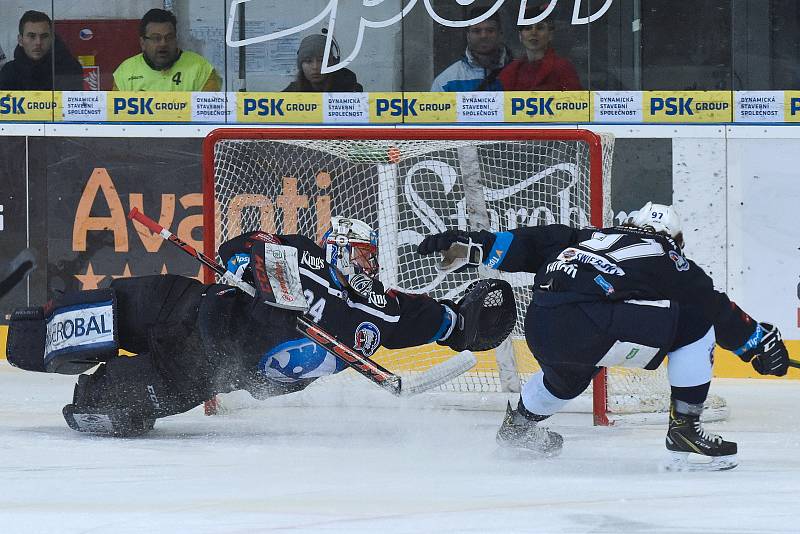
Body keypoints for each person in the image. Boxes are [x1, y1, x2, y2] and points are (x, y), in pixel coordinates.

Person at [7, 217, 513, 437]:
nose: (366, 265)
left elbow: (450, 323)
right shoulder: (297, 251)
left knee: (100, 408)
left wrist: (475, 321)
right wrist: (248, 271)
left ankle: (99, 396)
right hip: (184, 304)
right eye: (358, 253)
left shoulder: (378, 310)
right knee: (70, 326)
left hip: (199, 371)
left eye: (371, 257)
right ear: (334, 246)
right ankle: (32, 332)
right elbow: (237, 248)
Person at [417, 202, 790, 471]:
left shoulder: (587, 236)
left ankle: (519, 427)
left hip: (542, 323)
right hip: (588, 321)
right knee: (696, 324)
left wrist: (474, 246)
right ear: (673, 238)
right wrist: (756, 342)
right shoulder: (665, 254)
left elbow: (525, 244)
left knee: (568, 377)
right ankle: (686, 429)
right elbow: (711, 304)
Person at [112, 8, 221, 91]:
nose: (163, 44)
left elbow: (211, 116)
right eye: (156, 38)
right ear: (143, 43)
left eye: (169, 37)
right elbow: (116, 117)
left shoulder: (201, 69)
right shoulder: (125, 72)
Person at [497, 4, 581, 91]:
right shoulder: (511, 71)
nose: (533, 33)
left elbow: (576, 102)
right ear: (520, 36)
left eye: (540, 28)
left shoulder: (563, 68)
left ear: (550, 35)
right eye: (528, 28)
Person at [430, 8, 512, 92]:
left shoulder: (518, 73)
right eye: (476, 31)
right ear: (468, 35)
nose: (483, 36)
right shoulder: (446, 81)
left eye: (490, 31)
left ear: (500, 34)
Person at [0, 10, 83, 90]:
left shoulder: (69, 69)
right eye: (32, 36)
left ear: (52, 39)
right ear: (20, 40)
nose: (38, 42)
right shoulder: (9, 72)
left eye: (44, 36)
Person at [283, 33, 363, 92]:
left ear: (332, 63)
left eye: (322, 60)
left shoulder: (351, 90)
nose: (315, 67)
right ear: (301, 65)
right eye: (308, 61)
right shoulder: (290, 94)